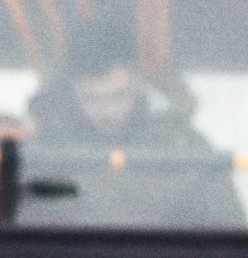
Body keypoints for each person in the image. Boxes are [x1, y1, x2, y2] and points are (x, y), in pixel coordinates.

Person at [24, 18, 243, 229]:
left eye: (118, 95)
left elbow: (227, 237)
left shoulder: (185, 151)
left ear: (137, 82)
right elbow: (24, 235)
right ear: (71, 92)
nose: (108, 111)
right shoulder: (45, 155)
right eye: (91, 98)